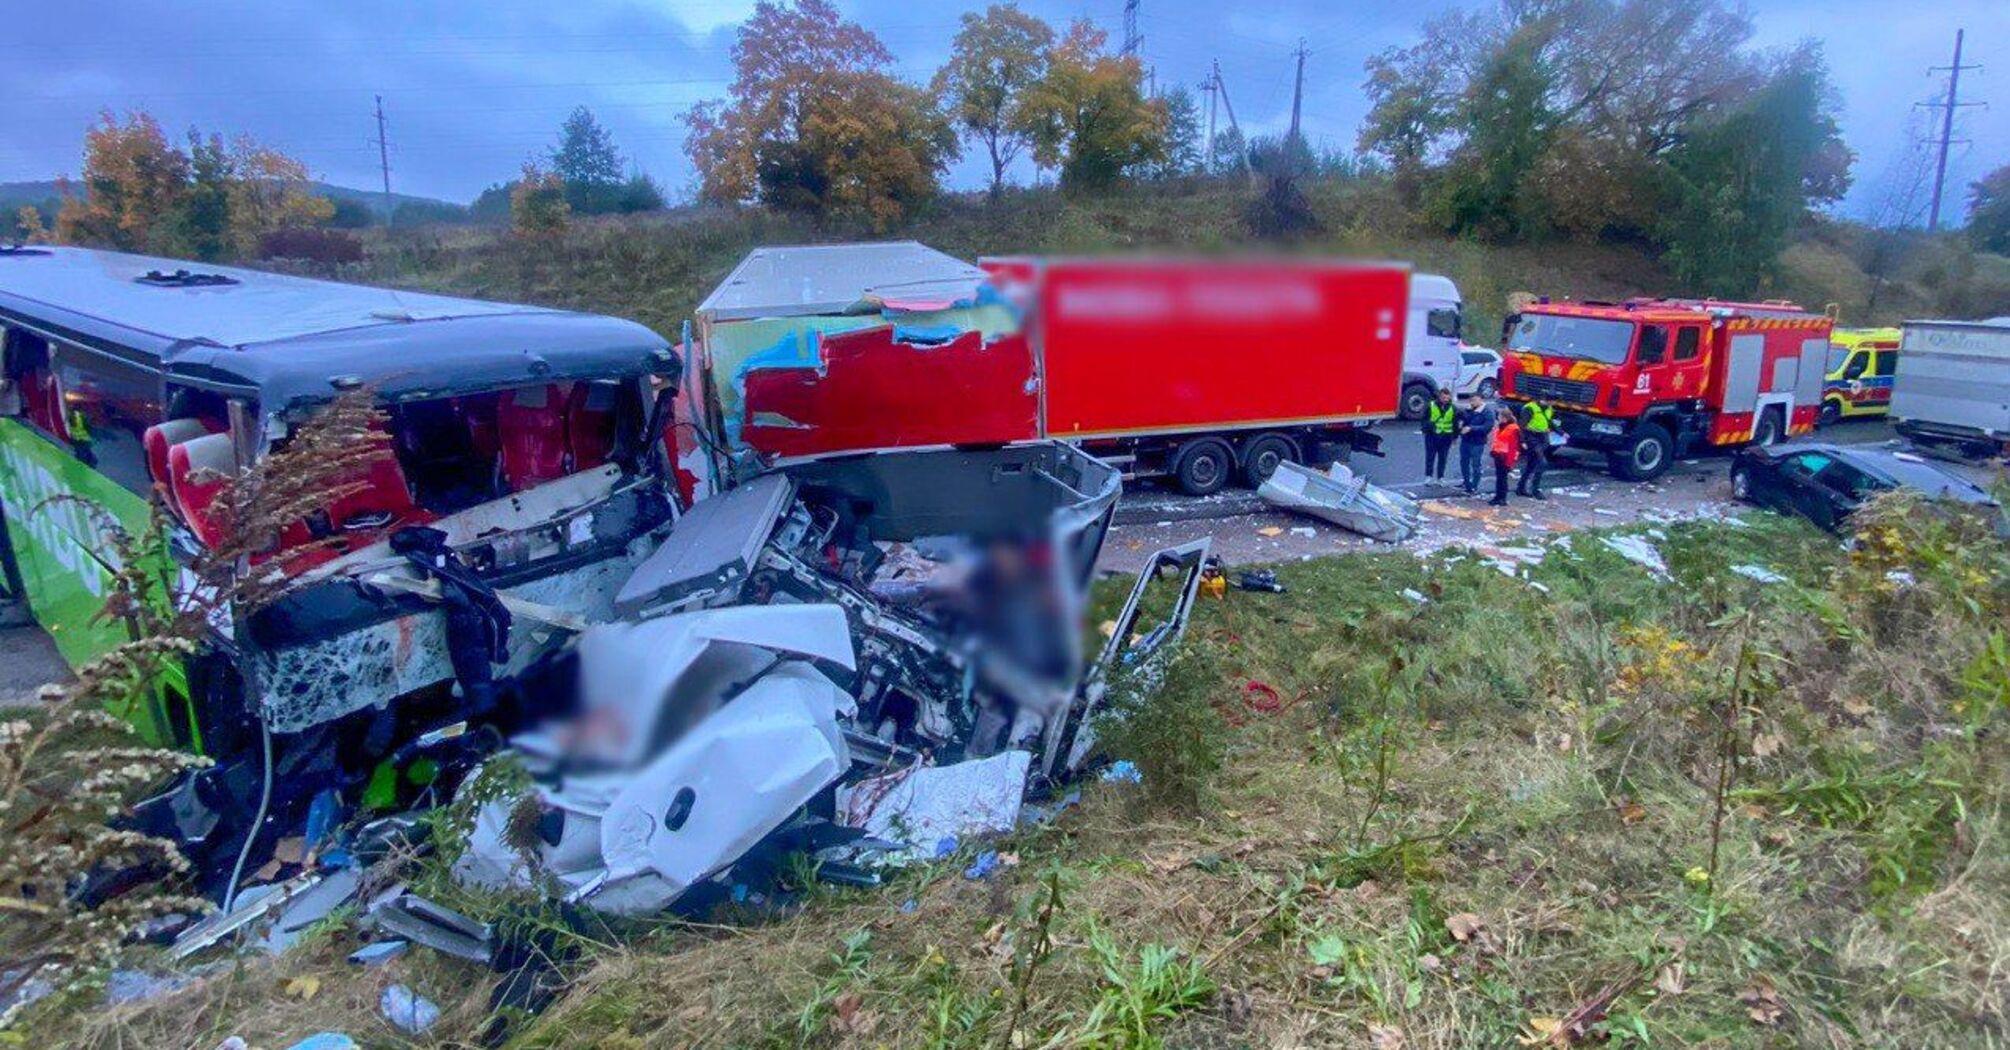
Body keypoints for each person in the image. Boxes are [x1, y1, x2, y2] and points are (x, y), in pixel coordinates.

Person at [1517, 397, 1556, 500]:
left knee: (1531, 464)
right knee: (1542, 463)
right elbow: (1521, 426)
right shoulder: (1530, 408)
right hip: (1532, 437)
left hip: (1542, 438)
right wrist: (1522, 441)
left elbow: (1549, 422)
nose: (1553, 403)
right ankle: (1535, 490)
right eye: (1552, 401)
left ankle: (1521, 487)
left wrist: (1561, 432)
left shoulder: (1549, 408)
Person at [1456, 392, 1493, 495]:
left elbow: (1487, 427)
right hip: (1466, 440)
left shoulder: (1487, 412)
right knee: (1464, 463)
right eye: (1471, 400)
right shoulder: (1469, 409)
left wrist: (1471, 428)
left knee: (1476, 465)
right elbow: (1464, 420)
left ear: (1481, 400)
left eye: (1475, 400)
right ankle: (1466, 482)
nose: (1472, 403)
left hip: (1477, 443)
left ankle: (1474, 486)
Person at [1422, 386, 1457, 484]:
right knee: (1430, 457)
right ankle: (1428, 476)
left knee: (1443, 458)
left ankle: (1440, 477)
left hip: (1446, 437)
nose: (1445, 400)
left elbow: (1455, 423)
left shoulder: (1453, 408)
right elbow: (1424, 419)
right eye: (1443, 397)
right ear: (1439, 397)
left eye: (1447, 398)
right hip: (1432, 436)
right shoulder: (1431, 405)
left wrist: (1455, 437)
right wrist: (1426, 429)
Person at [1488, 406, 1521, 506]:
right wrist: (1493, 451)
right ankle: (1499, 496)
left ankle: (1502, 498)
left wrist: (1510, 462)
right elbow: (1497, 441)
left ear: (1504, 418)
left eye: (1499, 416)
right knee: (1500, 478)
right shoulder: (1502, 427)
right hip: (1499, 455)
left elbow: (1514, 447)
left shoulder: (1512, 429)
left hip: (1505, 457)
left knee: (1502, 479)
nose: (1498, 418)